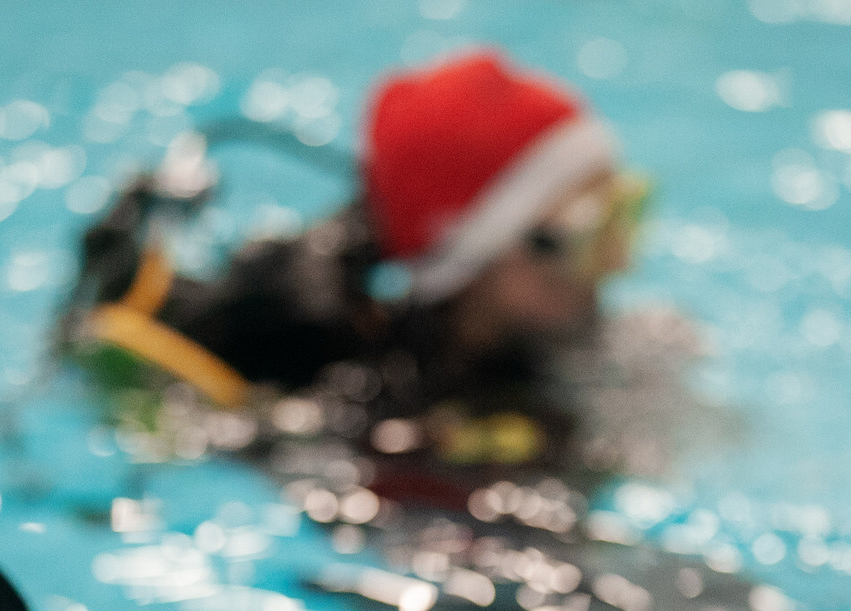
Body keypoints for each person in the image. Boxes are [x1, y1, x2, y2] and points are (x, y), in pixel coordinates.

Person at [71, 49, 647, 471]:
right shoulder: (364, 396)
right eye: (594, 235)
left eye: (630, 214)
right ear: (477, 254)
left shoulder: (545, 331)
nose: (619, 265)